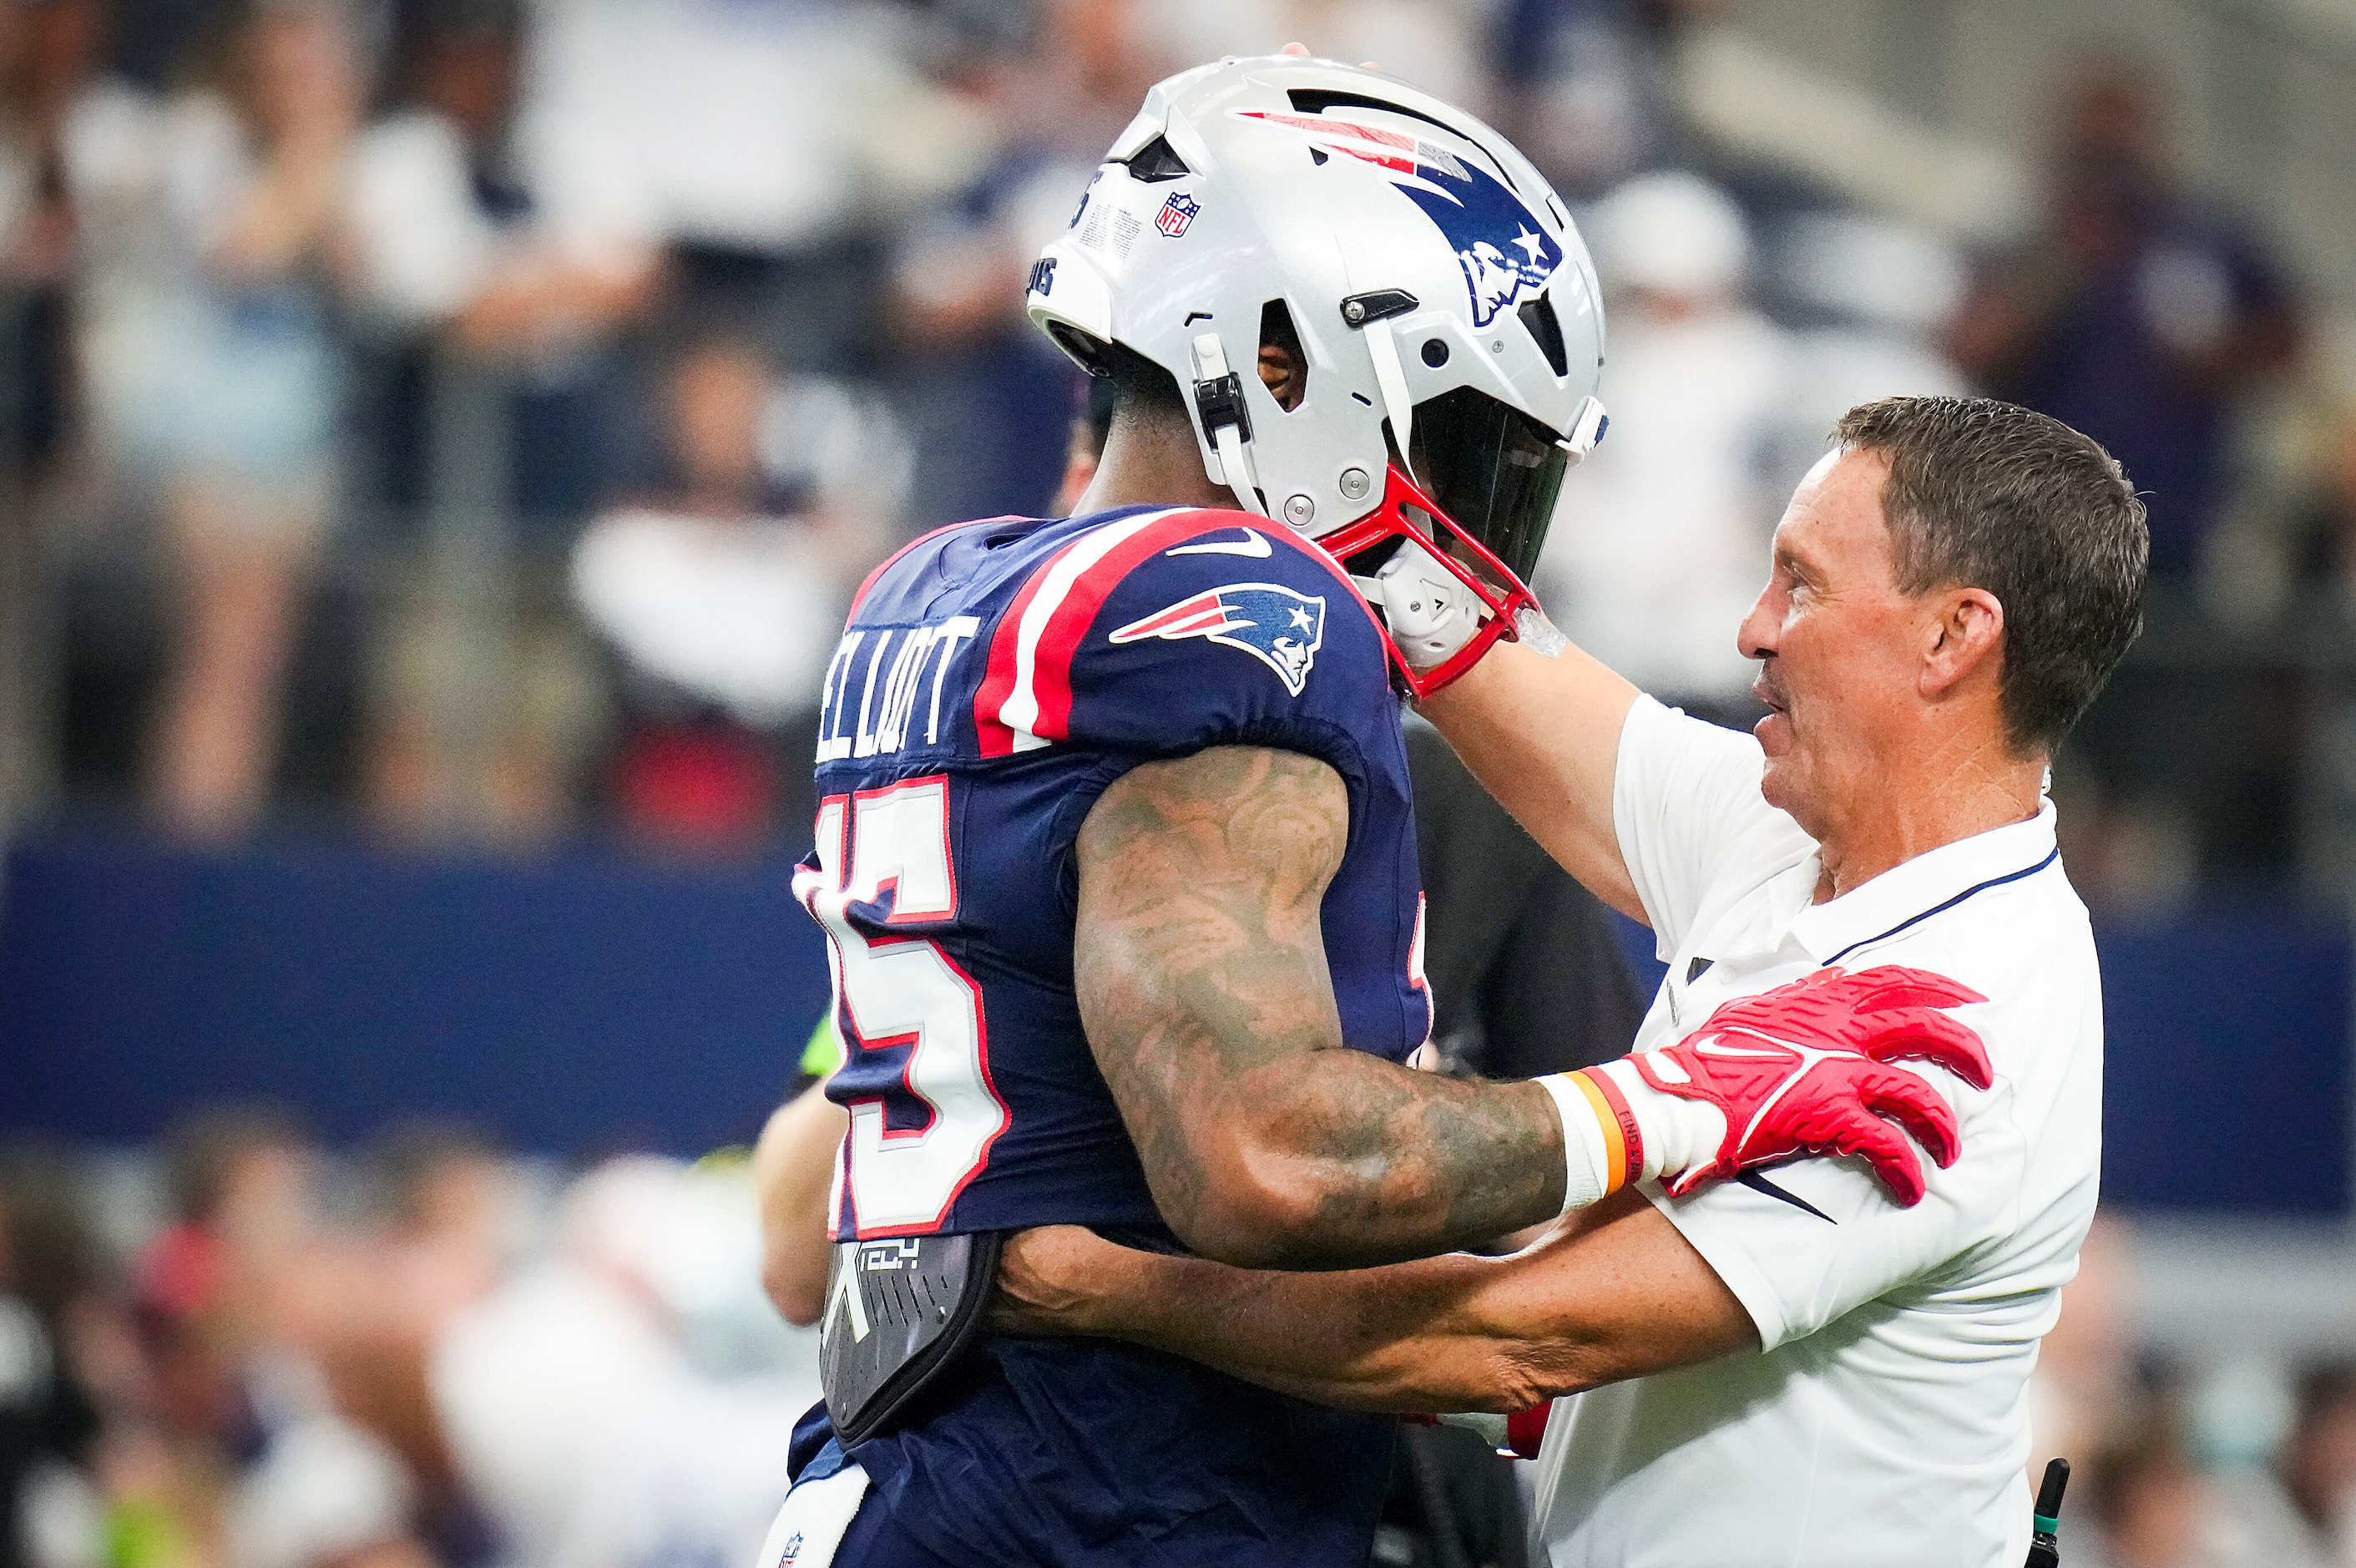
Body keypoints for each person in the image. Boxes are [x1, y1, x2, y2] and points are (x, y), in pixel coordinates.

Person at [755, 54, 1992, 1568]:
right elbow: (1265, 1157)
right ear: (1286, 369)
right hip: (1103, 1506)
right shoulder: (1236, 604)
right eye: (1465, 437)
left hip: (908, 1481)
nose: (1467, 512)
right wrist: (1680, 1103)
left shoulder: (928, 587)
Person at [995, 392, 2147, 1566]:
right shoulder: (1787, 829)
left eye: (1798, 583)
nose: (1751, 629)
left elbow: (1510, 1343)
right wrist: (1307, 452)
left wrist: (1088, 1284)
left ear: (1952, 637)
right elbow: (1489, 658)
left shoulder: (1948, 1015)